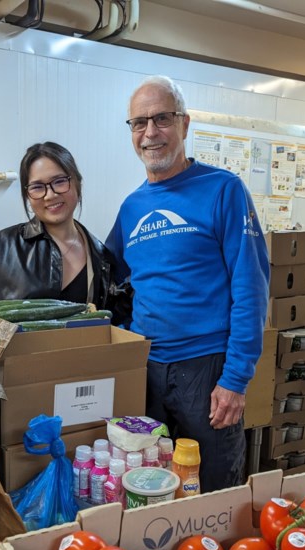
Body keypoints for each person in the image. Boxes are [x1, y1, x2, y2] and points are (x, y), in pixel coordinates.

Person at [105, 75, 271, 493]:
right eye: (139, 123)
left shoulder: (223, 190)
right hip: (146, 372)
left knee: (213, 490)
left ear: (185, 124)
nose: (150, 132)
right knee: (150, 487)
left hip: (207, 371)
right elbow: (109, 279)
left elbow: (251, 287)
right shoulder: (131, 208)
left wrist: (235, 379)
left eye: (162, 118)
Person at [0, 141, 126, 321]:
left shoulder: (101, 258)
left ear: (77, 183)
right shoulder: (1, 247)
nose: (50, 195)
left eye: (60, 181)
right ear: (27, 195)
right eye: (37, 187)